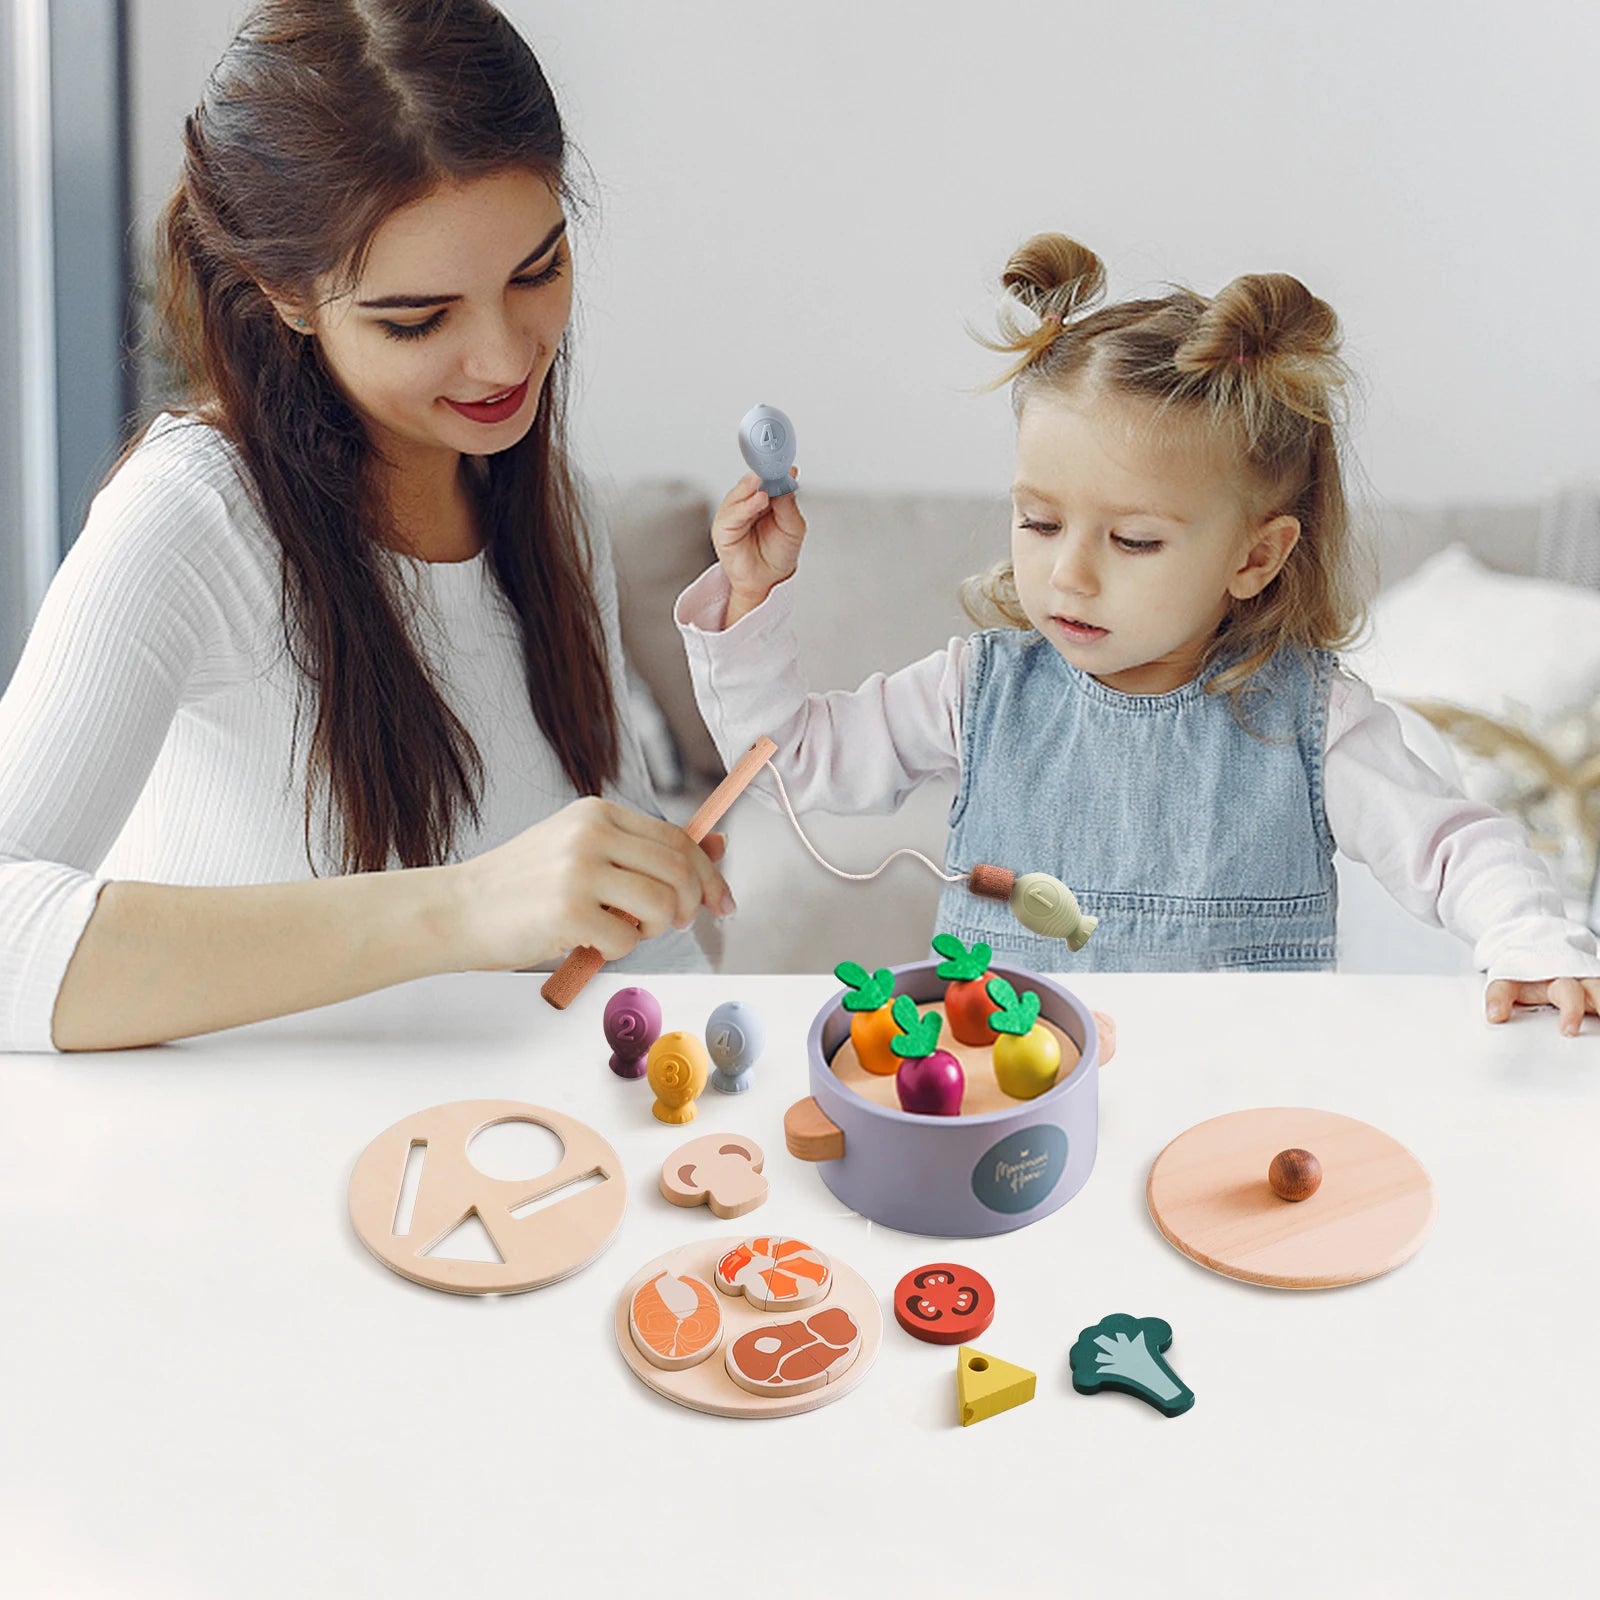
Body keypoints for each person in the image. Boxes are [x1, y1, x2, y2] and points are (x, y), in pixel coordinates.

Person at [0, 0, 733, 1054]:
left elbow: (622, 921)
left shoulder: (549, 504)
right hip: (241, 1190)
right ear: (285, 294)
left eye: (538, 271)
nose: (504, 357)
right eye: (417, 318)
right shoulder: (195, 517)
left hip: (484, 1170)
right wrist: (465, 909)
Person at [675, 232, 1600, 1034]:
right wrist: (753, 599)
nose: (1070, 573)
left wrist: (1530, 937)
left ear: (1255, 557)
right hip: (1015, 1098)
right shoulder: (976, 690)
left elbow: (1452, 846)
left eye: (1133, 540)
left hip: (1231, 1108)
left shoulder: (1313, 722)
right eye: (1039, 523)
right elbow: (788, 763)